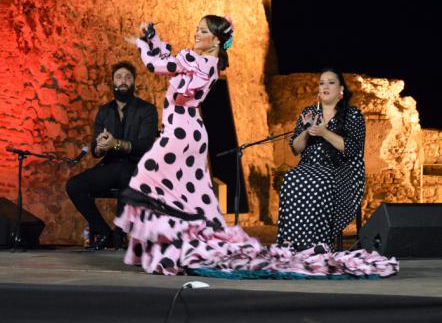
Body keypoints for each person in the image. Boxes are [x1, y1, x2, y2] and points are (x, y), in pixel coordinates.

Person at [115, 16, 397, 278]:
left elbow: (158, 65)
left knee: (146, 184)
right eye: (322, 83)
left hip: (181, 133)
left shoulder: (196, 61)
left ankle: (169, 250)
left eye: (203, 30)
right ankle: (172, 251)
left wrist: (145, 42)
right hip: (188, 132)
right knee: (188, 199)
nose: (196, 33)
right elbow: (297, 147)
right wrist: (152, 40)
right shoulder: (206, 63)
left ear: (215, 40)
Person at [66, 61, 158, 250]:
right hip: (110, 167)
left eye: (127, 77)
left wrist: (115, 143)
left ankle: (120, 234)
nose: (122, 81)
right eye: (118, 77)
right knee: (74, 185)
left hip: (136, 167)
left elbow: (146, 145)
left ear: (133, 83)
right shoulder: (104, 111)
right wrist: (100, 146)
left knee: (125, 172)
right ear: (113, 83)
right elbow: (95, 150)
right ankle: (103, 231)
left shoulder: (147, 110)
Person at [277, 67, 365, 250]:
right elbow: (295, 148)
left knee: (320, 181)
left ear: (341, 89)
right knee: (291, 179)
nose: (325, 86)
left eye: (331, 82)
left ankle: (319, 244)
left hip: (341, 168)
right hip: (309, 165)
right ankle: (290, 243)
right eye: (322, 83)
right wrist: (307, 132)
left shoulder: (353, 114)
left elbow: (351, 149)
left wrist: (324, 132)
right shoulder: (309, 112)